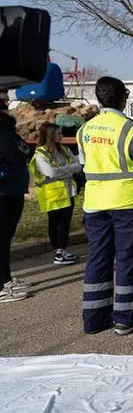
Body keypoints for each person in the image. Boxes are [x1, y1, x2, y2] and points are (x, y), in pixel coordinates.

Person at [77, 76, 133, 335]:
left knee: (98, 258)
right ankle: (125, 317)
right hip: (128, 203)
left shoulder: (85, 130)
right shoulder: (131, 130)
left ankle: (94, 318)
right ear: (124, 98)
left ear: (98, 98)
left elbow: (84, 163)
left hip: (95, 203)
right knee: (127, 259)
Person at [29, 123, 82, 264]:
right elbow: (49, 172)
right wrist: (68, 169)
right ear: (49, 135)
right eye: (58, 133)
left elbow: (78, 166)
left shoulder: (63, 149)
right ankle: (57, 252)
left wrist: (63, 169)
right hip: (52, 194)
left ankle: (62, 249)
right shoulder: (41, 153)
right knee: (55, 223)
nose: (61, 136)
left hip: (67, 191)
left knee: (65, 223)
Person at [0, 100, 32, 302]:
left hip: (12, 188)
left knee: (6, 238)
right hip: (4, 190)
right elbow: (20, 151)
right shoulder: (4, 135)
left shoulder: (8, 132)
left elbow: (25, 150)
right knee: (2, 237)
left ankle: (6, 278)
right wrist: (24, 150)